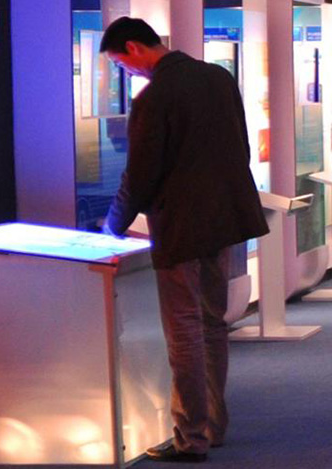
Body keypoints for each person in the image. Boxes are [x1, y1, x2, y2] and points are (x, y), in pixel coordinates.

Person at [100, 17, 269, 463]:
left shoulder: (154, 97)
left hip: (180, 226)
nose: (127, 73)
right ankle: (213, 425)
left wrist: (113, 225)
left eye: (122, 64)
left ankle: (190, 437)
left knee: (185, 330)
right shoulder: (218, 77)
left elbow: (140, 173)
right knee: (213, 322)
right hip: (225, 219)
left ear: (134, 48)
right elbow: (241, 147)